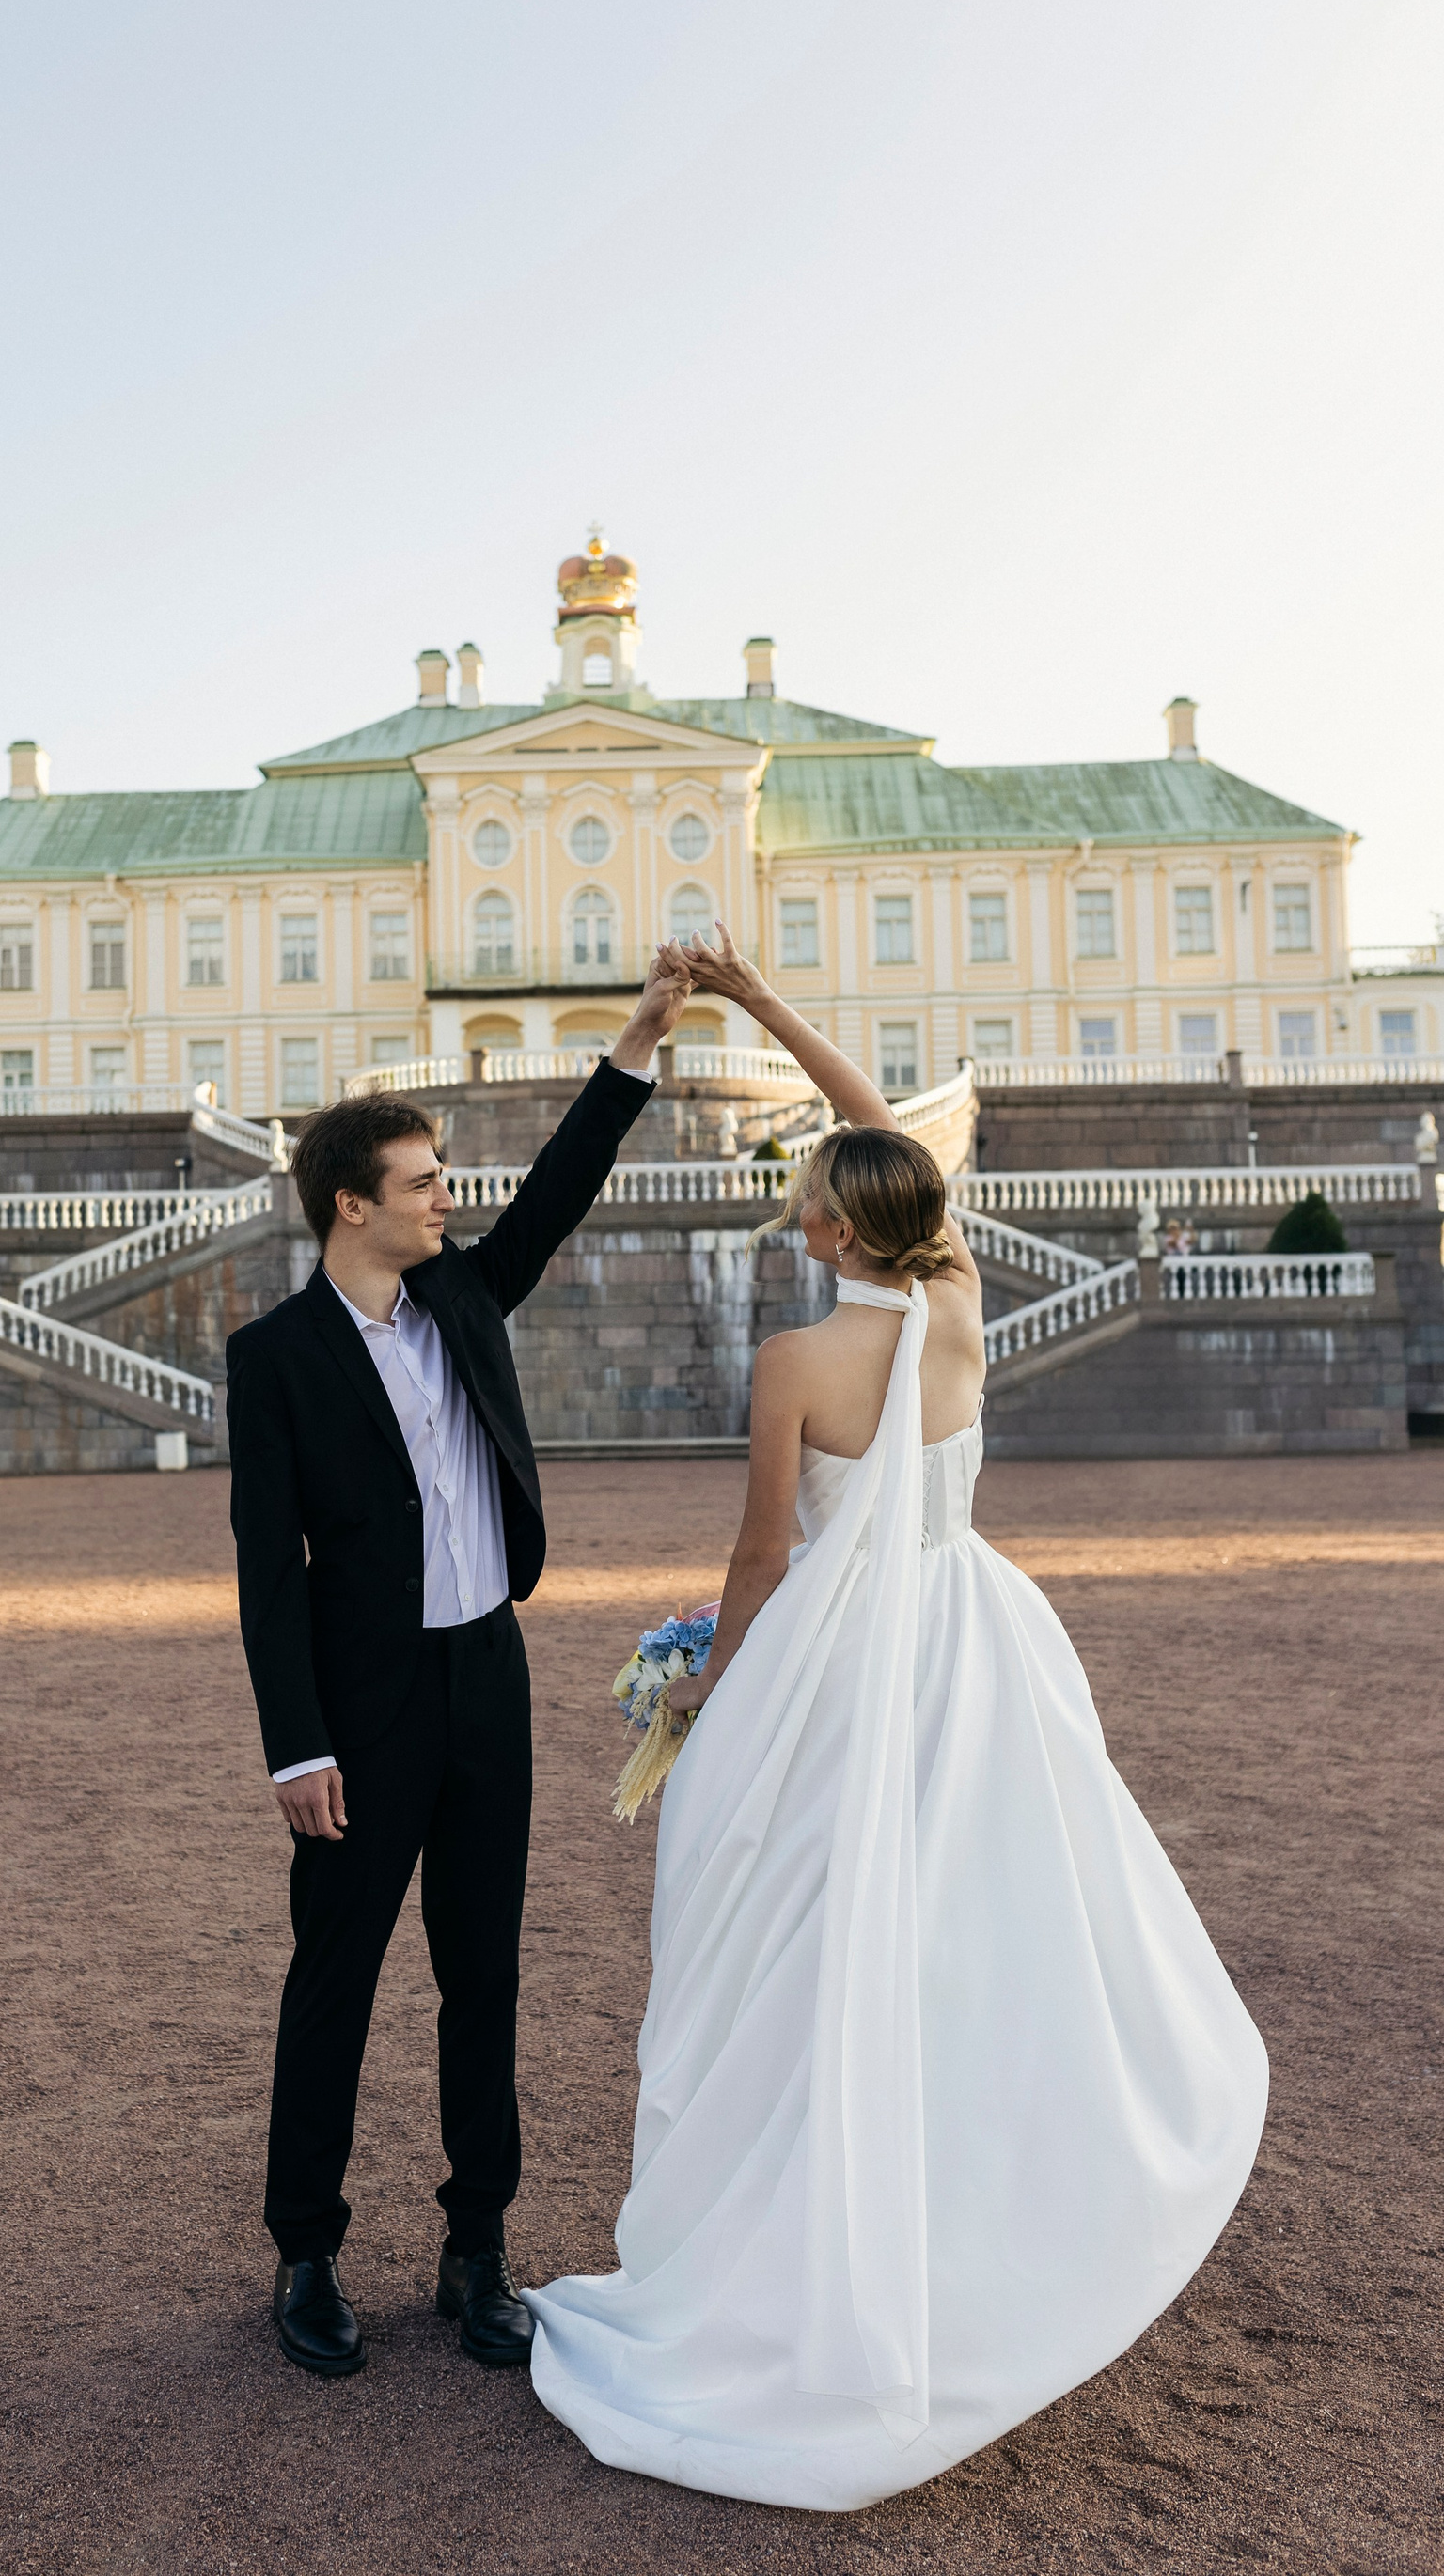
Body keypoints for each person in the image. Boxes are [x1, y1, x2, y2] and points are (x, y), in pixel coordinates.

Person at [527, 923, 1268, 2510]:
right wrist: (767, 1001)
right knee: (960, 1939)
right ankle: (960, 2235)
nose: (795, 1205)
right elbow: (887, 1144)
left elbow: (759, 1558)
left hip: (838, 1660)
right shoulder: (962, 1303)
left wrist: (707, 1689)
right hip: (972, 1647)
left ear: (826, 1229)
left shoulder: (797, 1359)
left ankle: (797, 2241)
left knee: (793, 1948)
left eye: (806, 1196)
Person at [228, 951, 691, 2378]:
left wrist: (638, 1042)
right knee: (337, 1978)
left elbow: (561, 1185)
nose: (449, 1197)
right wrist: (299, 1744)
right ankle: (306, 2252)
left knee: (483, 1974)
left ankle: (474, 2249)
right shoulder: (275, 1358)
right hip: (362, 1707)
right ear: (350, 1204)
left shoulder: (470, 1299)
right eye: (423, 1181)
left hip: (489, 1678)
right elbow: (267, 1568)